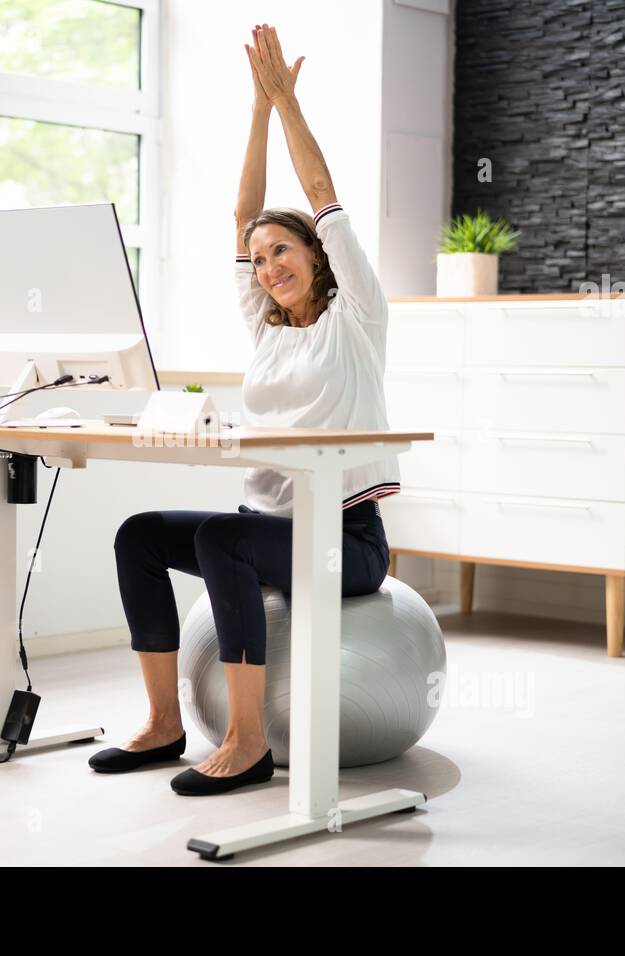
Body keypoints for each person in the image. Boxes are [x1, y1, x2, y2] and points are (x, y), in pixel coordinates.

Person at [89, 23, 400, 796]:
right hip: (271, 532)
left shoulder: (355, 318)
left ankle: (249, 739)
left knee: (223, 539)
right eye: (259, 260)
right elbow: (241, 216)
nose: (267, 266)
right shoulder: (264, 328)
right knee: (139, 537)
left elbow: (323, 196)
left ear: (318, 256)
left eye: (282, 252)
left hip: (345, 541)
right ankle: (165, 724)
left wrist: (286, 103)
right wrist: (252, 112)